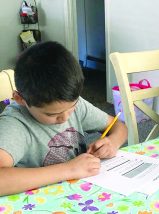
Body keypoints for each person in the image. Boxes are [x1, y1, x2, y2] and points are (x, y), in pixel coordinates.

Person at [0, 41, 128, 196]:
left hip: (82, 194)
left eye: (71, 107)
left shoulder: (75, 105)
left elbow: (118, 126)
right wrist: (69, 169)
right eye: (51, 114)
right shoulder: (15, 124)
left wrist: (112, 143)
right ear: (20, 99)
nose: (65, 117)